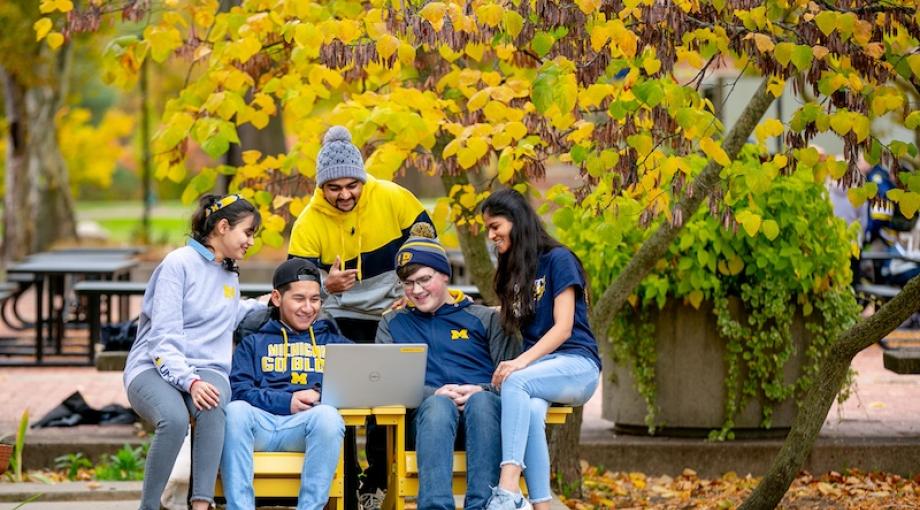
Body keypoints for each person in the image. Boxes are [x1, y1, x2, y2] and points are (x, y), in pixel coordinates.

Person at [288, 125, 434, 509]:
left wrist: (410, 291)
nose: (345, 195)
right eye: (333, 188)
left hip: (391, 312)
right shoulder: (307, 223)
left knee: (387, 400)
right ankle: (348, 480)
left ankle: (378, 480)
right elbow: (294, 290)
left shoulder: (394, 198)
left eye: (352, 184)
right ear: (321, 187)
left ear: (363, 179)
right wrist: (327, 287)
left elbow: (427, 250)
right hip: (337, 317)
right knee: (341, 399)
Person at [123, 193, 264, 510]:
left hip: (206, 367)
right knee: (172, 419)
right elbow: (163, 337)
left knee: (213, 404)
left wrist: (277, 300)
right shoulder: (178, 264)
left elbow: (231, 312)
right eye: (248, 232)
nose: (251, 242)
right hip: (153, 364)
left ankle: (201, 504)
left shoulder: (227, 270)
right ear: (223, 227)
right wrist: (190, 382)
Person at [376, 228, 519, 510]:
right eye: (408, 283)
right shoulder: (393, 323)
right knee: (439, 405)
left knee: (482, 403)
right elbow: (384, 383)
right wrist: (433, 393)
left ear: (444, 275)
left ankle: (484, 505)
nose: (416, 290)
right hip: (427, 426)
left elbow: (514, 377)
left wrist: (482, 389)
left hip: (484, 421)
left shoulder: (484, 319)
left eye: (424, 279)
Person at [479, 189, 602, 510]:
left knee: (514, 380)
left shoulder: (559, 260)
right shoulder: (516, 271)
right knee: (531, 413)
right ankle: (541, 506)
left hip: (577, 364)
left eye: (495, 226)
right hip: (542, 371)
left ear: (516, 221)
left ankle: (506, 490)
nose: (491, 235)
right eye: (488, 229)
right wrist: (460, 305)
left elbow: (563, 328)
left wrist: (519, 363)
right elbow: (503, 313)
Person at [221, 258, 350, 510]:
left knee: (328, 416)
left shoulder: (333, 341)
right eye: (299, 299)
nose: (308, 308)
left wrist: (320, 396)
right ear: (277, 298)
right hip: (259, 426)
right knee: (235, 411)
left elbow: (356, 380)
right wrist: (286, 401)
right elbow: (239, 391)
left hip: (304, 428)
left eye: (315, 299)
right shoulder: (254, 341)